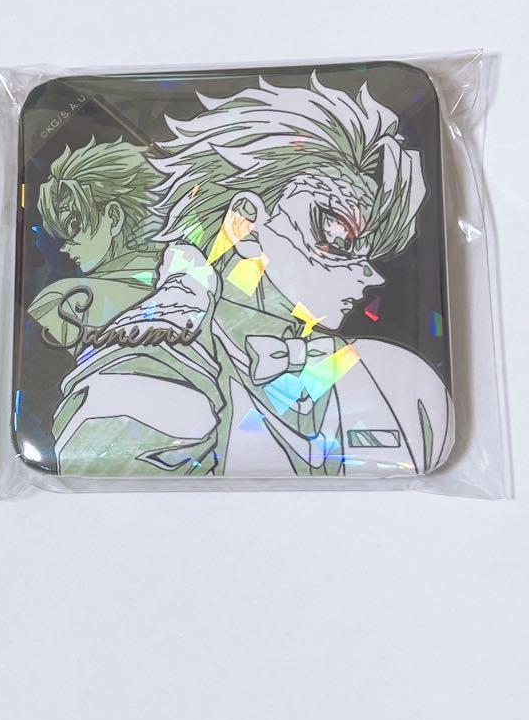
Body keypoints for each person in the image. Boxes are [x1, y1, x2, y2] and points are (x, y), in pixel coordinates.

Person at [52, 75, 452, 478]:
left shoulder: (398, 381)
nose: (370, 275)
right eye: (336, 235)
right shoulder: (145, 362)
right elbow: (104, 477)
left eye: (372, 251)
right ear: (245, 222)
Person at [29, 139, 163, 352]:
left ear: (113, 217)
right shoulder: (190, 278)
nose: (64, 248)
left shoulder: (65, 302)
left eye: (73, 226)